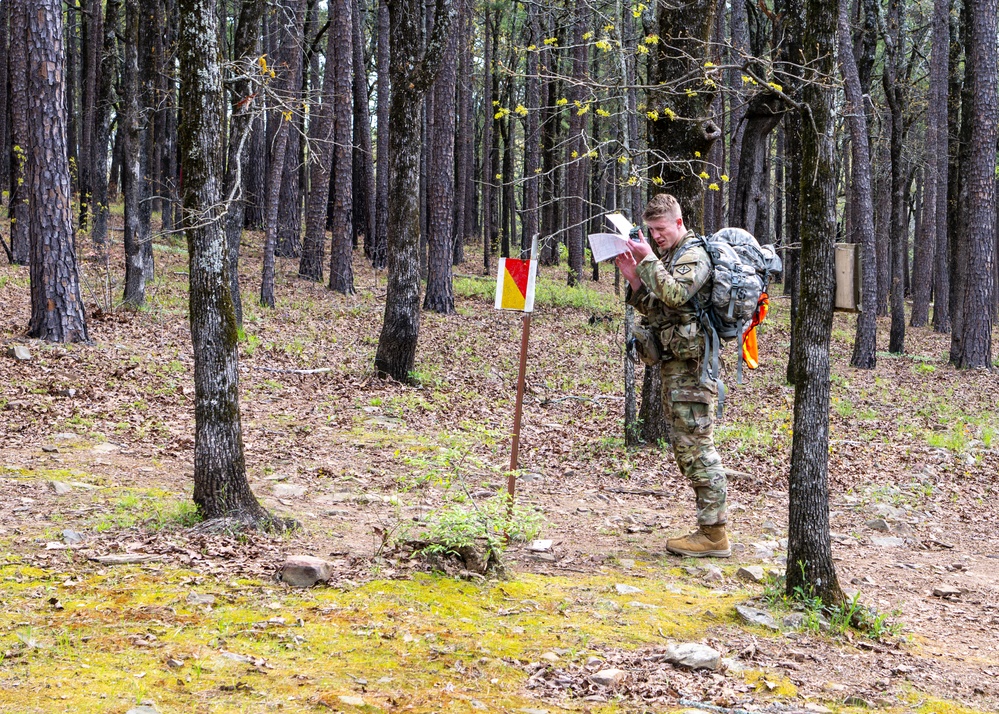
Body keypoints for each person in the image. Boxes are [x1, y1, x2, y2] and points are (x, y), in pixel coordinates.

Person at [615, 193, 730, 558]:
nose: (656, 236)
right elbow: (660, 307)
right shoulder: (669, 258)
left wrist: (646, 259)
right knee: (686, 447)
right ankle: (709, 529)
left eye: (660, 229)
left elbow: (678, 294)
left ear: (678, 223)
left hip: (694, 369)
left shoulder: (693, 255)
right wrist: (635, 279)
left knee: (698, 448)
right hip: (676, 367)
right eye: (651, 231)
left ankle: (713, 534)